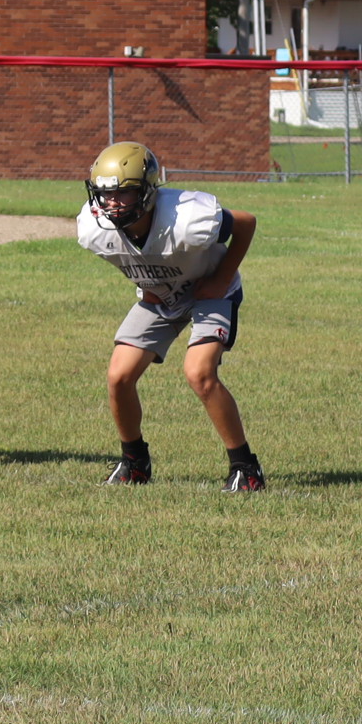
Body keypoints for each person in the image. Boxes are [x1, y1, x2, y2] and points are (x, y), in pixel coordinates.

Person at [76, 142, 263, 491]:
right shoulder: (94, 228)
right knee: (119, 376)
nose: (112, 202)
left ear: (147, 192)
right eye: (105, 193)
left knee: (199, 373)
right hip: (162, 293)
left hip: (210, 288)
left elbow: (245, 223)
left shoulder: (185, 219)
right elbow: (126, 256)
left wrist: (221, 278)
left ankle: (246, 468)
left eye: (123, 193)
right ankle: (134, 462)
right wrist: (144, 282)